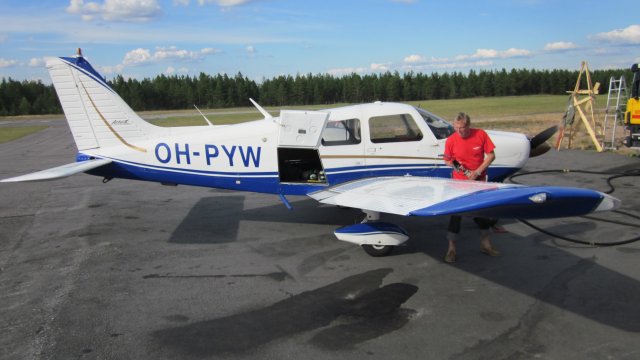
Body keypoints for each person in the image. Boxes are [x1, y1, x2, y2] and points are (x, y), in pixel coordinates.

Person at [443, 112, 500, 263]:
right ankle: (451, 249)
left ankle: (486, 245)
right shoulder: (451, 140)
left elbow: (491, 155)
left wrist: (478, 172)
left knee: (482, 213)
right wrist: (457, 166)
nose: (459, 131)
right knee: (456, 215)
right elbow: (447, 160)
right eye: (456, 128)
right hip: (459, 184)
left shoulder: (480, 135)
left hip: (478, 182)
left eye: (462, 128)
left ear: (468, 125)